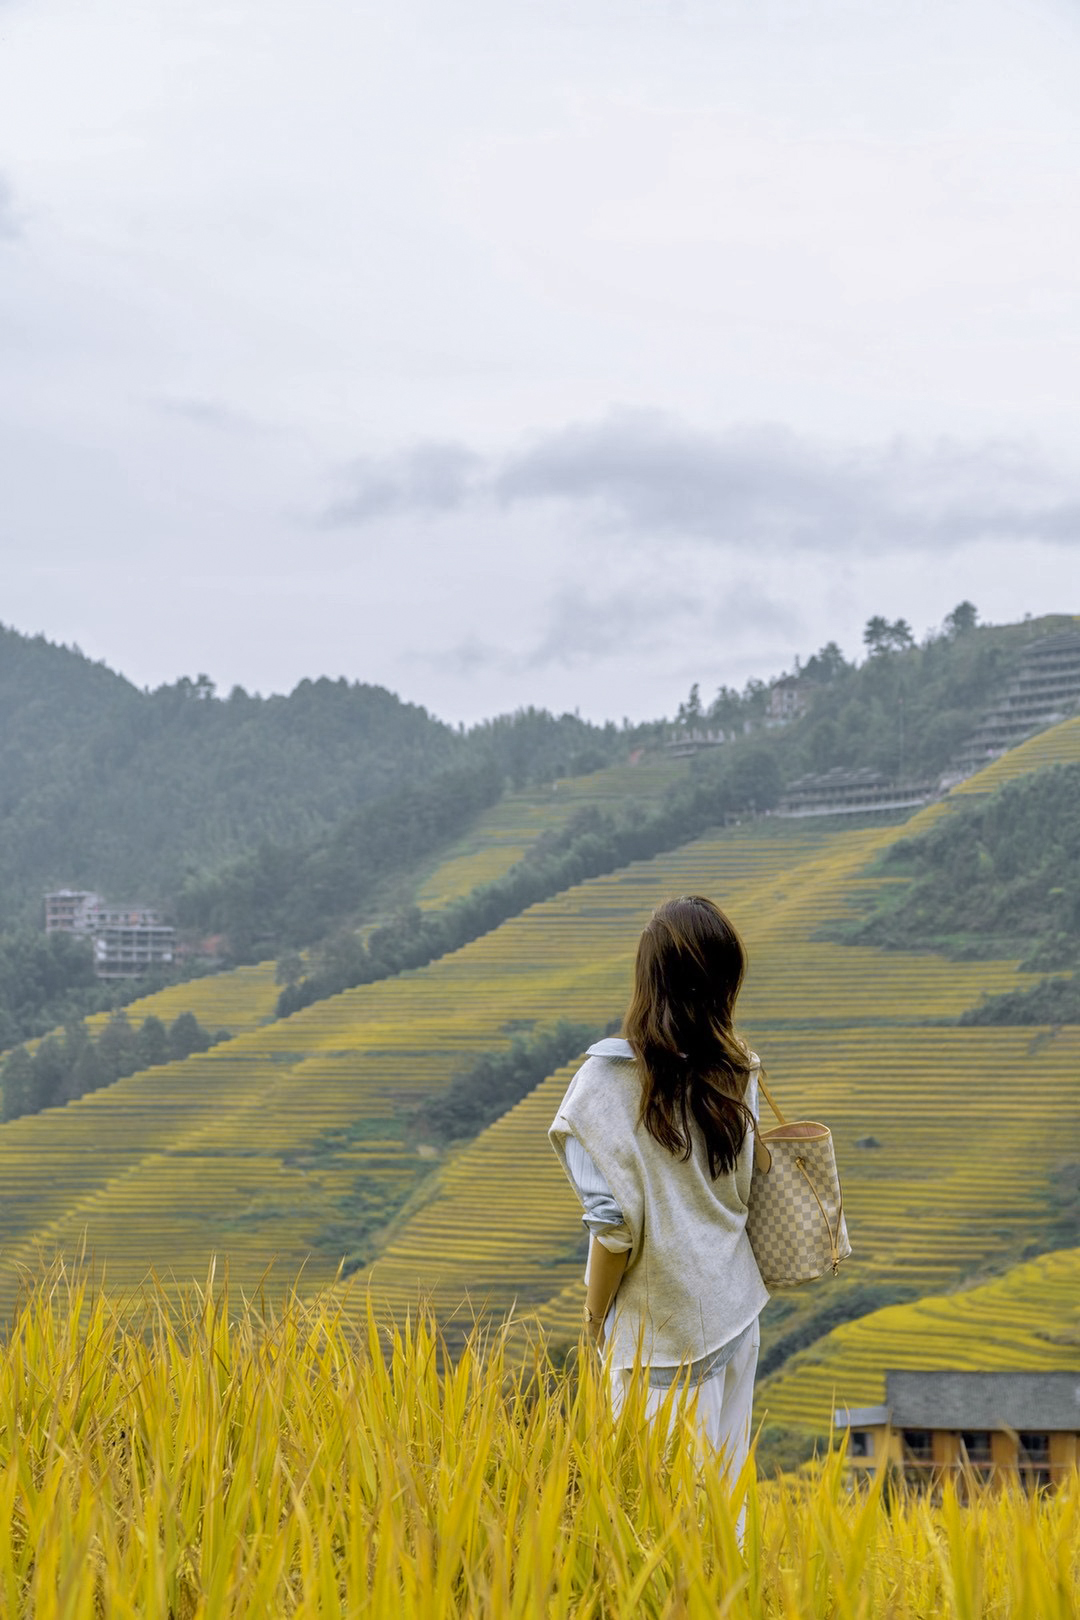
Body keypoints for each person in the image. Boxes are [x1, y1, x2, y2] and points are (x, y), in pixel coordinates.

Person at [548, 894, 768, 1480]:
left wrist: (594, 1322)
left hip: (663, 1337)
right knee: (726, 1505)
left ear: (649, 981)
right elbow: (744, 1189)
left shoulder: (604, 1086)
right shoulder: (735, 1069)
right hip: (736, 1309)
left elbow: (613, 1230)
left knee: (657, 1519)